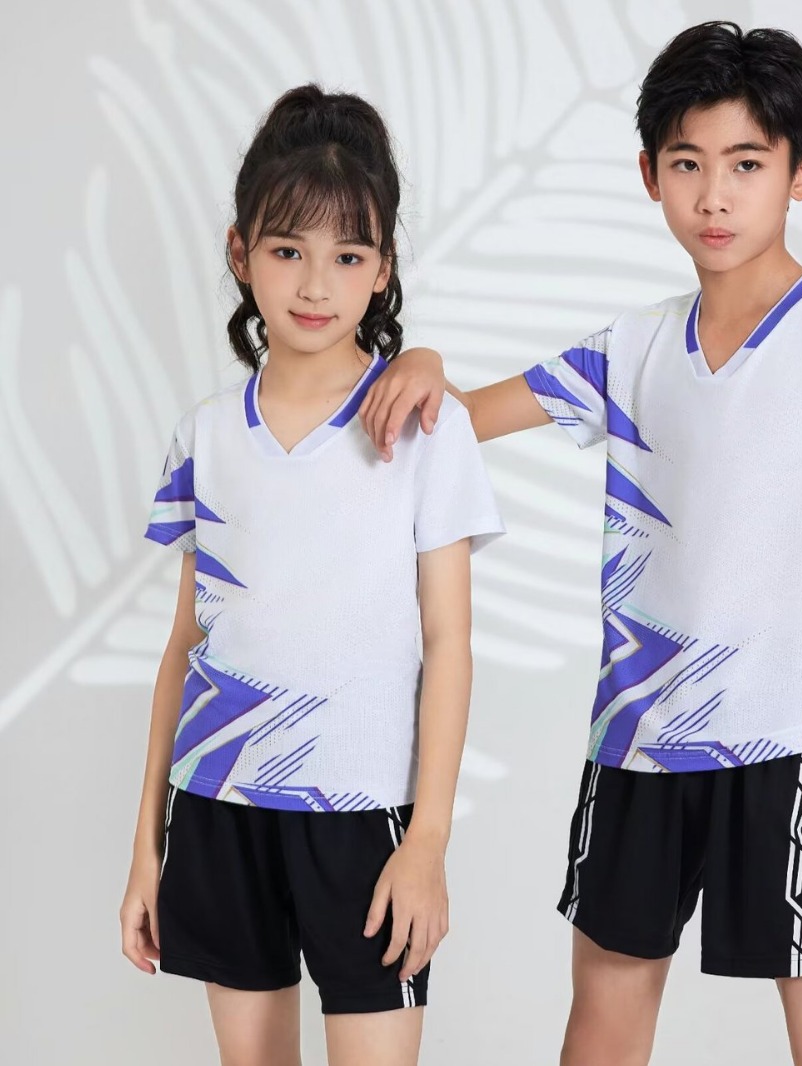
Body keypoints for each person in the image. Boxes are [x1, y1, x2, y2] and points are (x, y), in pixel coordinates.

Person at [358, 22, 802, 1066]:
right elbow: (455, 420)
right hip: (633, 752)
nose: (714, 196)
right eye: (687, 164)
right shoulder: (632, 347)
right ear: (650, 175)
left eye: (746, 165)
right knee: (601, 1034)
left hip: (784, 754)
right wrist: (422, 359)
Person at [118, 85, 504, 1066]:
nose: (316, 284)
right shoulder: (207, 436)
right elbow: (184, 645)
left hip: (364, 820)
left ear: (383, 270)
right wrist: (147, 849)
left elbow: (450, 643)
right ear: (240, 251)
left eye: (349, 255)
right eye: (288, 250)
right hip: (219, 809)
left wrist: (426, 841)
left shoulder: (426, 427)